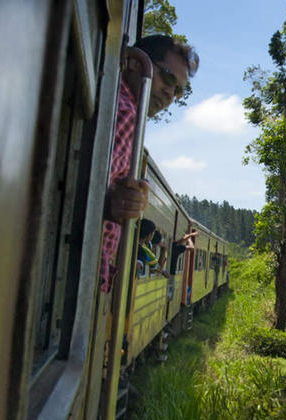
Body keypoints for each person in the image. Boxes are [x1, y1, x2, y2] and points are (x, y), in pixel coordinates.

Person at [99, 35, 199, 292]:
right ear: (135, 63)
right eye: (167, 78)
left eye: (178, 89)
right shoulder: (125, 113)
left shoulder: (112, 100)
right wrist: (119, 204)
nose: (171, 94)